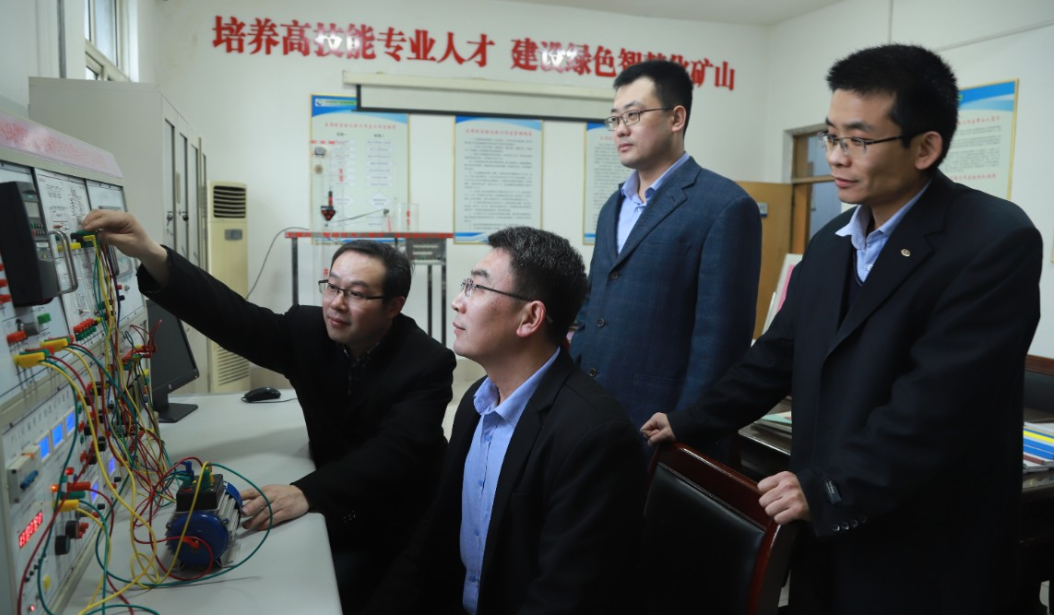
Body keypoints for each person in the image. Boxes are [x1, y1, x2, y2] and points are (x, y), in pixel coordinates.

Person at [642, 44, 1042, 614]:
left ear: (926, 147)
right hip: (828, 528)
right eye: (831, 136)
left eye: (857, 140)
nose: (835, 156)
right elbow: (775, 356)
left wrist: (831, 487)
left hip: (924, 540)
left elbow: (938, 406)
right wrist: (689, 419)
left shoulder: (992, 240)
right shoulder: (833, 243)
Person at [82, 210, 455, 613]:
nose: (336, 304)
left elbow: (394, 453)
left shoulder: (427, 363)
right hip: (340, 506)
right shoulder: (309, 330)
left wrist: (307, 492)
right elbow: (234, 318)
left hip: (399, 522)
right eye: (332, 286)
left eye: (357, 294)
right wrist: (151, 254)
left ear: (393, 306)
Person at [367, 226, 644, 615]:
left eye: (476, 288)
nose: (458, 302)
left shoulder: (594, 436)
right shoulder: (476, 401)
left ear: (530, 318)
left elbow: (564, 598)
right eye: (465, 286)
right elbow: (434, 535)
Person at [570, 58, 762, 460]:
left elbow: (720, 341)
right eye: (615, 118)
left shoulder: (724, 206)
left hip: (661, 421)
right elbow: (595, 300)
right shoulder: (613, 206)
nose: (620, 128)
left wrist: (688, 425)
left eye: (633, 115)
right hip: (592, 408)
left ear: (677, 118)